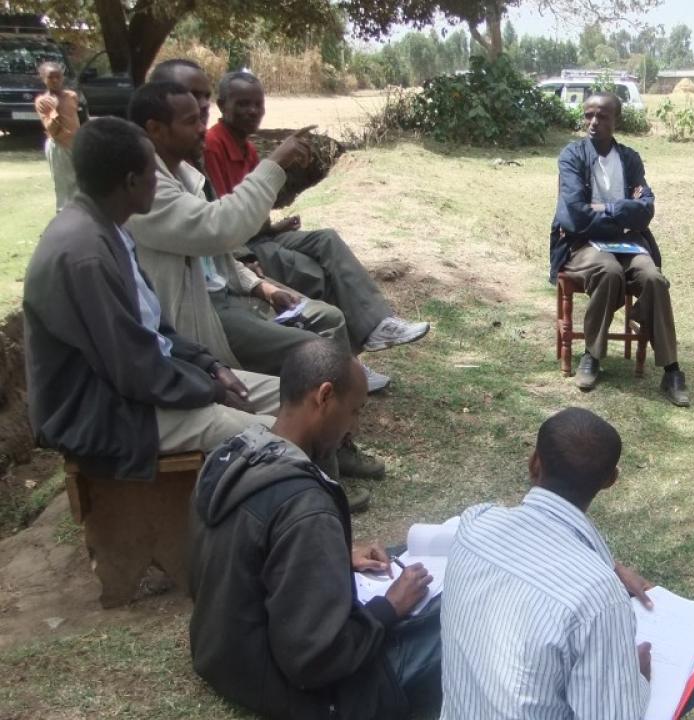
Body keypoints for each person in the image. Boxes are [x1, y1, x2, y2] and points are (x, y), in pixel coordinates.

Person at [441, 407, 694, 718]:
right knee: (683, 664)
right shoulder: (596, 600)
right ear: (611, 480)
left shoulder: (475, 524)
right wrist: (640, 680)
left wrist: (607, 568)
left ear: (533, 463)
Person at [124, 81, 384, 493]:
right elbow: (218, 229)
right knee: (310, 370)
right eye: (192, 118)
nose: (201, 126)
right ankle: (315, 484)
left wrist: (259, 286)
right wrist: (275, 164)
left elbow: (218, 254)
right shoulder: (144, 193)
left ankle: (330, 467)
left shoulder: (183, 176)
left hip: (220, 305)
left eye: (203, 111)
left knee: (324, 314)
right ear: (154, 129)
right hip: (202, 326)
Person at [188, 339, 442, 719]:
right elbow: (316, 661)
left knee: (389, 558)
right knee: (455, 623)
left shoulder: (235, 454)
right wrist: (388, 609)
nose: (352, 428)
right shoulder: (306, 507)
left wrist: (334, 557)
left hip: (219, 653)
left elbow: (247, 554)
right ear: (324, 396)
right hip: (289, 690)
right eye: (354, 412)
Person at [23, 117, 279, 481]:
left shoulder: (110, 230)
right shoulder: (86, 254)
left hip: (145, 387)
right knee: (278, 437)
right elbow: (136, 372)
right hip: (105, 413)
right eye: (152, 174)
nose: (159, 182)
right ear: (130, 182)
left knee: (292, 397)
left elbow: (155, 329)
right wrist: (211, 391)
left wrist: (210, 367)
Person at [201, 69, 430, 368]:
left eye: (258, 104)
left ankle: (378, 325)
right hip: (241, 246)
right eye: (243, 104)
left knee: (327, 240)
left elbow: (254, 208)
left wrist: (276, 224)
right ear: (222, 105)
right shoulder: (212, 146)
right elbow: (220, 216)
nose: (253, 111)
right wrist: (243, 254)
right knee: (313, 273)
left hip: (261, 234)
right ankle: (343, 364)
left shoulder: (250, 149)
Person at [550, 92, 690, 407]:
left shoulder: (630, 159)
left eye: (602, 116)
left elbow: (647, 209)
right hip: (583, 243)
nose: (593, 123)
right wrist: (622, 212)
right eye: (588, 115)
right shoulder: (572, 156)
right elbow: (574, 211)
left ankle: (671, 369)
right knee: (608, 270)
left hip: (628, 244)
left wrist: (605, 208)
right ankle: (592, 355)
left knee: (653, 277)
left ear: (617, 120)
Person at [34, 60, 80, 212]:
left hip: (76, 143)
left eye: (58, 77)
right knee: (63, 184)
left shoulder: (72, 96)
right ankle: (63, 214)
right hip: (58, 146)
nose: (55, 80)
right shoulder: (43, 101)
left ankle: (80, 214)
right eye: (50, 77)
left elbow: (77, 119)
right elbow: (51, 129)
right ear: (43, 79)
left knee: (79, 181)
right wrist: (55, 108)